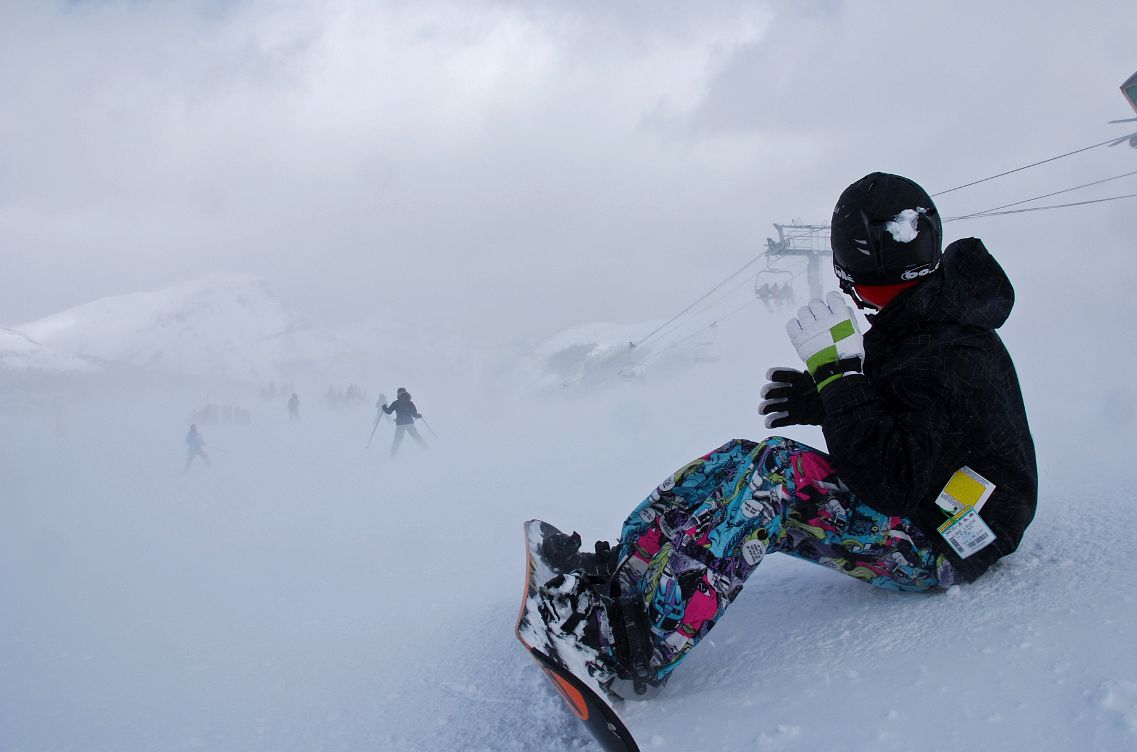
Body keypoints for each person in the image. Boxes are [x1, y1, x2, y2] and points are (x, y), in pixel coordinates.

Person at [538, 172, 1037, 699]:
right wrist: (831, 396)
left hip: (950, 538)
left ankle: (635, 646)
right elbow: (910, 421)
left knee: (776, 478)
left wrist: (841, 382)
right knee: (741, 457)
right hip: (932, 496)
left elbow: (891, 484)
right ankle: (630, 570)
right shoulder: (926, 311)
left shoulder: (944, 352)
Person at [381, 387, 428, 457]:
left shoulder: (396, 403)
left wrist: (384, 407)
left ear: (398, 394)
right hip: (409, 423)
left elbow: (388, 412)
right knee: (415, 436)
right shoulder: (409, 402)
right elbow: (414, 414)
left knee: (398, 439)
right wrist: (418, 415)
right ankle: (426, 448)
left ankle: (393, 454)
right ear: (405, 393)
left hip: (400, 424)